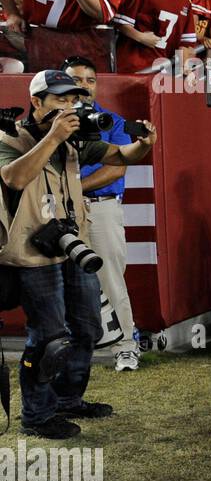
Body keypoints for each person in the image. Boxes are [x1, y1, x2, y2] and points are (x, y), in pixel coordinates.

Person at [0, 70, 157, 440]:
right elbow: (14, 179)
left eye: (73, 100)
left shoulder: (75, 140)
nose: (70, 107)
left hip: (72, 244)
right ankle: (36, 416)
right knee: (49, 337)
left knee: (88, 327)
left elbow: (123, 155)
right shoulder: (9, 135)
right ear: (36, 102)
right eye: (60, 100)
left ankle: (68, 399)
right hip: (31, 252)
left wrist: (145, 144)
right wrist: (53, 136)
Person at [61, 56, 140, 371]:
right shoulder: (52, 123)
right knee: (61, 282)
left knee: (109, 278)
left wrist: (73, 188)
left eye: (90, 80)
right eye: (76, 80)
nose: (83, 86)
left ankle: (126, 345)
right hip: (59, 213)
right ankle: (71, 348)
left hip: (100, 207)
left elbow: (117, 167)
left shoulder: (111, 122)